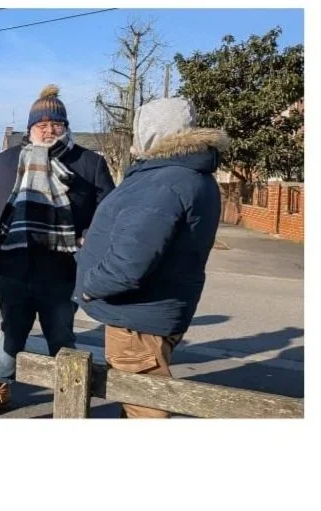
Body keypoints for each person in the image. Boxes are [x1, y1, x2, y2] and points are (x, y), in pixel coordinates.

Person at [75, 98, 227, 418]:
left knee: (146, 410)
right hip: (152, 312)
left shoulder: (166, 180)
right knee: (137, 402)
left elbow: (129, 265)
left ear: (151, 133)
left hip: (136, 320)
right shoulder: (187, 174)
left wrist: (89, 286)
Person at [0, 84, 114, 418]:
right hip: (13, 268)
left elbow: (111, 207)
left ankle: (72, 400)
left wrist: (88, 238)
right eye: (42, 125)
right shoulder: (6, 161)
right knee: (10, 336)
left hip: (62, 271)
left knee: (61, 337)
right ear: (31, 127)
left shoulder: (88, 163)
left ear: (65, 126)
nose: (49, 131)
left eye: (56, 124)